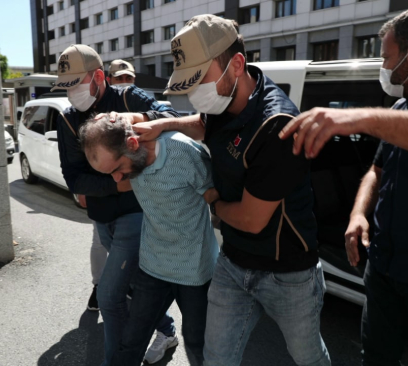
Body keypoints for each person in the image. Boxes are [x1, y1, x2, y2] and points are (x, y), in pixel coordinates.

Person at [129, 15, 331, 366]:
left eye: (198, 81)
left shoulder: (278, 126)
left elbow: (251, 220)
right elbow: (203, 124)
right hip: (233, 263)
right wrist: (159, 122)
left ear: (236, 64)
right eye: (186, 85)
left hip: (288, 273)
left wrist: (211, 200)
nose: (193, 94)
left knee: (307, 356)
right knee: (216, 358)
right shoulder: (223, 98)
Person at [279, 6, 408, 365]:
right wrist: (359, 213)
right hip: (385, 269)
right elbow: (376, 169)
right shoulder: (403, 106)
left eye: (388, 57)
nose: (385, 67)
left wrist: (361, 117)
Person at [51, 44, 180, 366]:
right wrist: (122, 181)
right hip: (101, 218)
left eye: (75, 85)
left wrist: (138, 118)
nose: (71, 95)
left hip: (138, 215)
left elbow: (173, 119)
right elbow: (75, 180)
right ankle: (166, 329)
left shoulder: (127, 98)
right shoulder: (67, 120)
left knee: (109, 296)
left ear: (98, 76)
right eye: (64, 88)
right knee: (134, 286)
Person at [79, 115, 219, 365]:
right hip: (152, 265)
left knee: (198, 343)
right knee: (130, 342)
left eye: (117, 169)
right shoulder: (129, 157)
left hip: (195, 270)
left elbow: (214, 195)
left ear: (133, 144)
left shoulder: (182, 150)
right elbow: (118, 126)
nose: (117, 179)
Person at [80, 58, 137, 312]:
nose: (125, 83)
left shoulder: (138, 101)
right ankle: (99, 286)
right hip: (103, 197)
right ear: (109, 80)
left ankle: (125, 287)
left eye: (129, 78)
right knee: (100, 243)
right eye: (120, 78)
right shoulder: (98, 106)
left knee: (131, 249)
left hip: (135, 198)